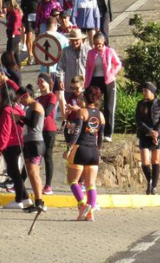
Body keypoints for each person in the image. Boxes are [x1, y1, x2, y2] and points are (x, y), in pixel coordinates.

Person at [65, 85, 105, 222]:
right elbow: (101, 137)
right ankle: (91, 211)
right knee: (90, 184)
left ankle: (82, 205)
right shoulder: (101, 115)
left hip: (80, 149)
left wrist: (69, 148)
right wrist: (98, 151)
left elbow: (77, 132)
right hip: (94, 151)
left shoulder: (82, 112)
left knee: (72, 180)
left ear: (86, 97)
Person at [84, 33, 122, 142]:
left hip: (108, 80)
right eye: (95, 44)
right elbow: (88, 69)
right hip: (95, 80)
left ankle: (108, 133)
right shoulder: (91, 53)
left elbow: (118, 63)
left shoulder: (109, 51)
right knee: (95, 108)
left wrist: (112, 73)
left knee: (109, 108)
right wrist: (87, 84)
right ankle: (95, 132)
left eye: (99, 44)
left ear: (103, 42)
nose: (97, 46)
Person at [17, 93, 46, 213]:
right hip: (29, 141)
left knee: (34, 173)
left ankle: (39, 201)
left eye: (21, 99)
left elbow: (33, 123)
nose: (21, 102)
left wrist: (20, 118)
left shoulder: (36, 106)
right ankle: (36, 201)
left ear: (26, 95)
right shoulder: (29, 108)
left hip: (36, 142)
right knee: (30, 173)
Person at [136, 82, 160, 195]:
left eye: (146, 91)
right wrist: (149, 131)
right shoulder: (140, 104)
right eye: (143, 91)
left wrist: (156, 133)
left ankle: (154, 187)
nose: (144, 93)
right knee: (145, 161)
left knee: (155, 160)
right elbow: (138, 121)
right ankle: (149, 181)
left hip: (158, 135)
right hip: (144, 135)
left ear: (152, 92)